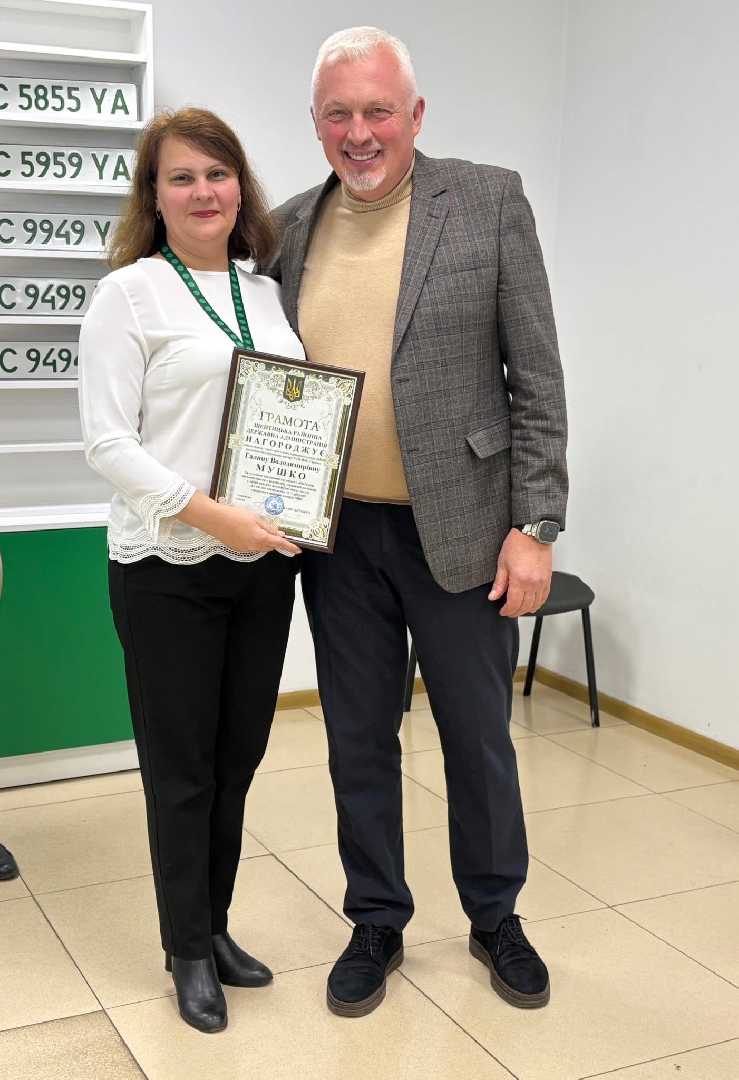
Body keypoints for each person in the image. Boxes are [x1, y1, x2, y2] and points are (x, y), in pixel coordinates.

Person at [268, 27, 568, 1018]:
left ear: (415, 115)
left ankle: (494, 916)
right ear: (316, 124)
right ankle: (376, 919)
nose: (359, 133)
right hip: (339, 538)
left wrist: (536, 524)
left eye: (377, 111)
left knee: (477, 737)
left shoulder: (486, 200)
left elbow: (537, 377)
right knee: (357, 738)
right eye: (338, 115)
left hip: (465, 530)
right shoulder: (285, 228)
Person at [79, 108, 302, 1034]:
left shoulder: (267, 292)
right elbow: (107, 444)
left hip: (263, 567)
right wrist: (211, 516)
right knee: (182, 772)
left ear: (240, 187)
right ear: (155, 196)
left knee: (237, 760)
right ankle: (185, 952)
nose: (203, 192)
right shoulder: (127, 295)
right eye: (182, 177)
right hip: (166, 563)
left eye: (217, 173)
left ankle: (214, 926)